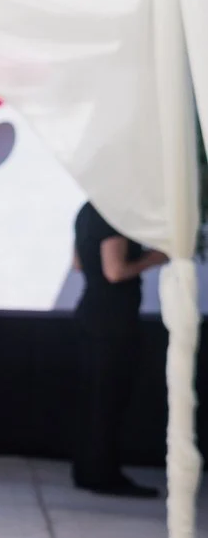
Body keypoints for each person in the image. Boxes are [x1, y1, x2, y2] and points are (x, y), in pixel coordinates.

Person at [71, 202, 167, 497]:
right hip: (111, 320)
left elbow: (78, 263)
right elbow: (115, 271)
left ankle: (90, 470)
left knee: (94, 398)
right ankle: (102, 473)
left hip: (90, 312)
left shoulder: (87, 211)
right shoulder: (112, 214)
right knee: (108, 398)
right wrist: (156, 257)